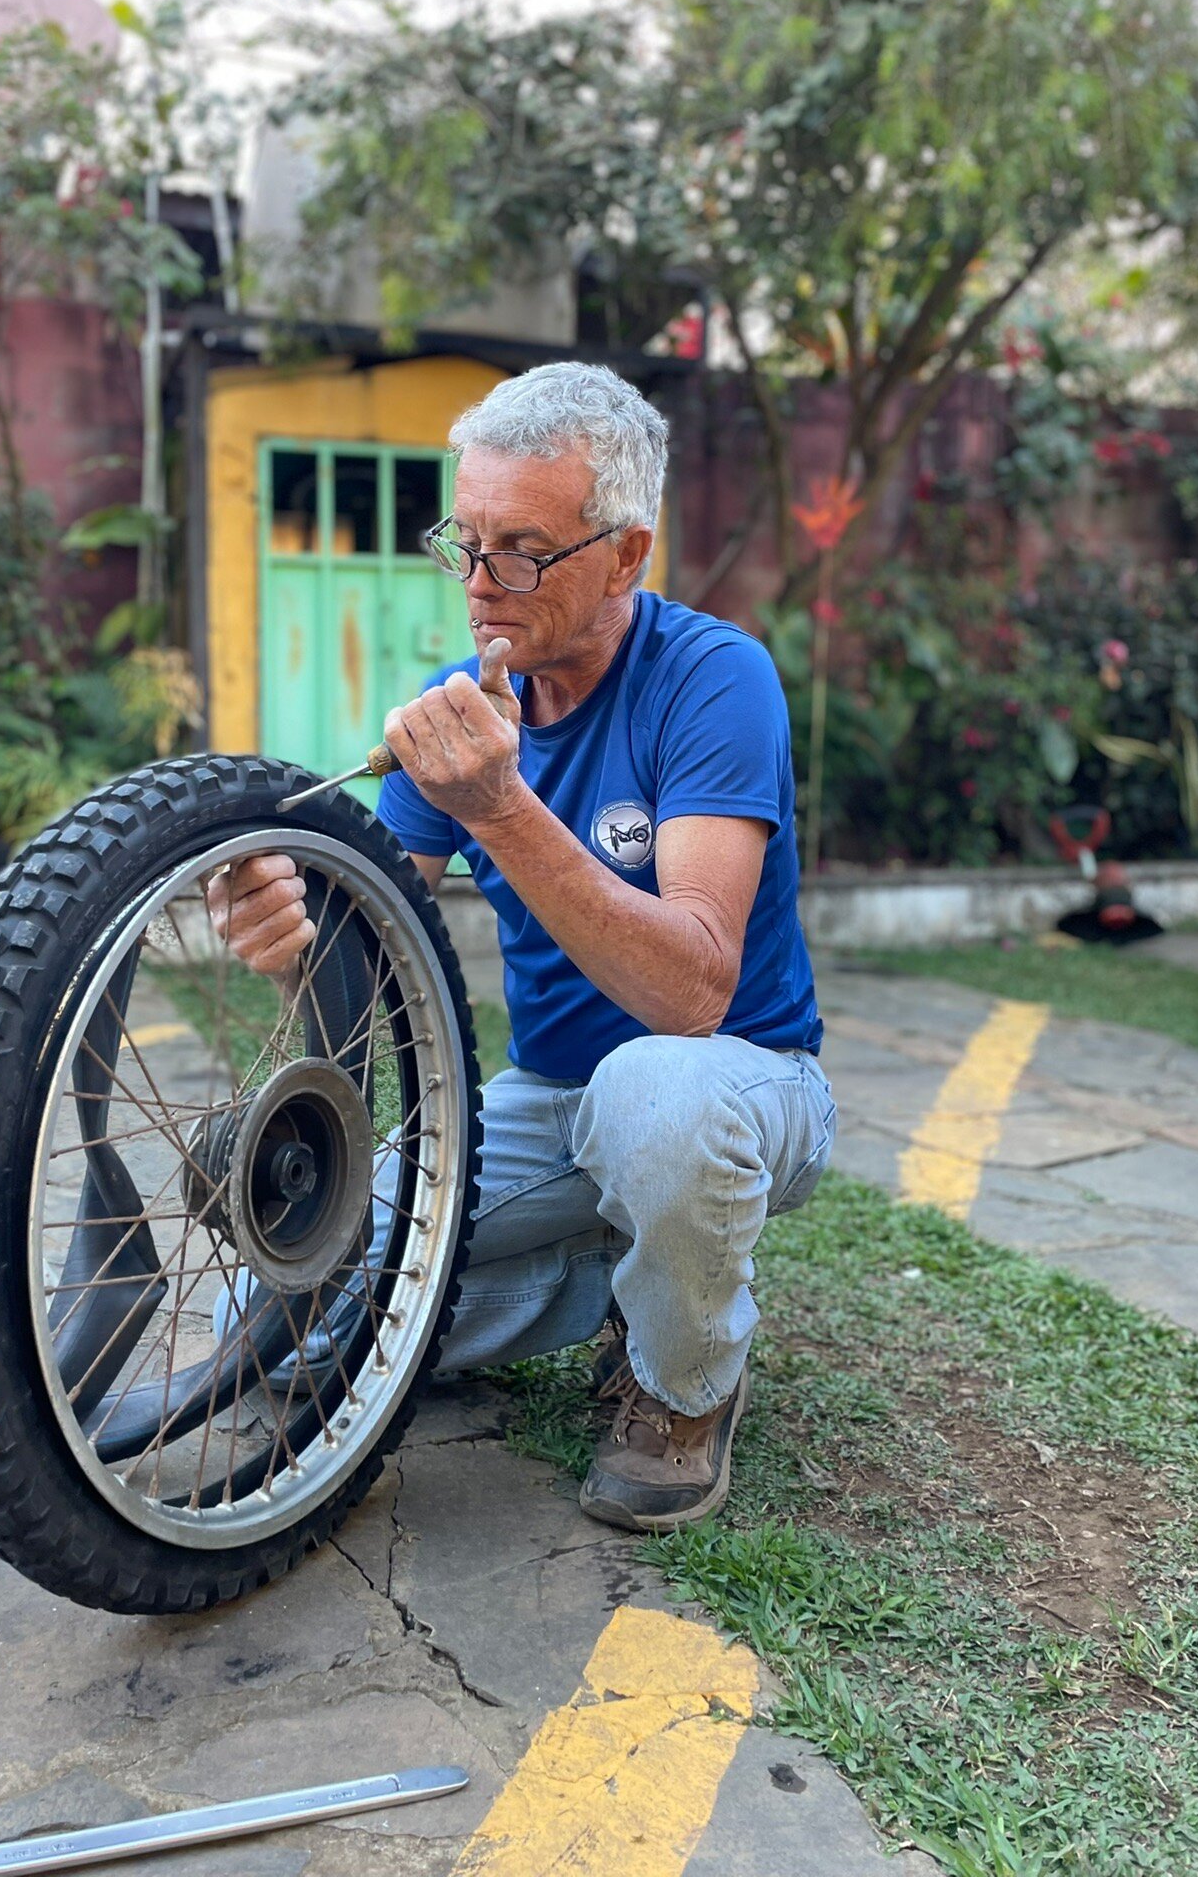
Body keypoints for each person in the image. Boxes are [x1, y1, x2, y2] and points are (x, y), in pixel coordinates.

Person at [208, 361, 833, 1533]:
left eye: (525, 551)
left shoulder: (713, 679)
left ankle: (683, 1382)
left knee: (657, 1098)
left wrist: (503, 806)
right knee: (268, 1312)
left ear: (627, 554)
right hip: (549, 1102)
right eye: (468, 542)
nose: (482, 585)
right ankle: (616, 1276)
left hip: (738, 1082)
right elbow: (363, 973)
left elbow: (693, 990)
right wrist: (290, 931)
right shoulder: (464, 703)